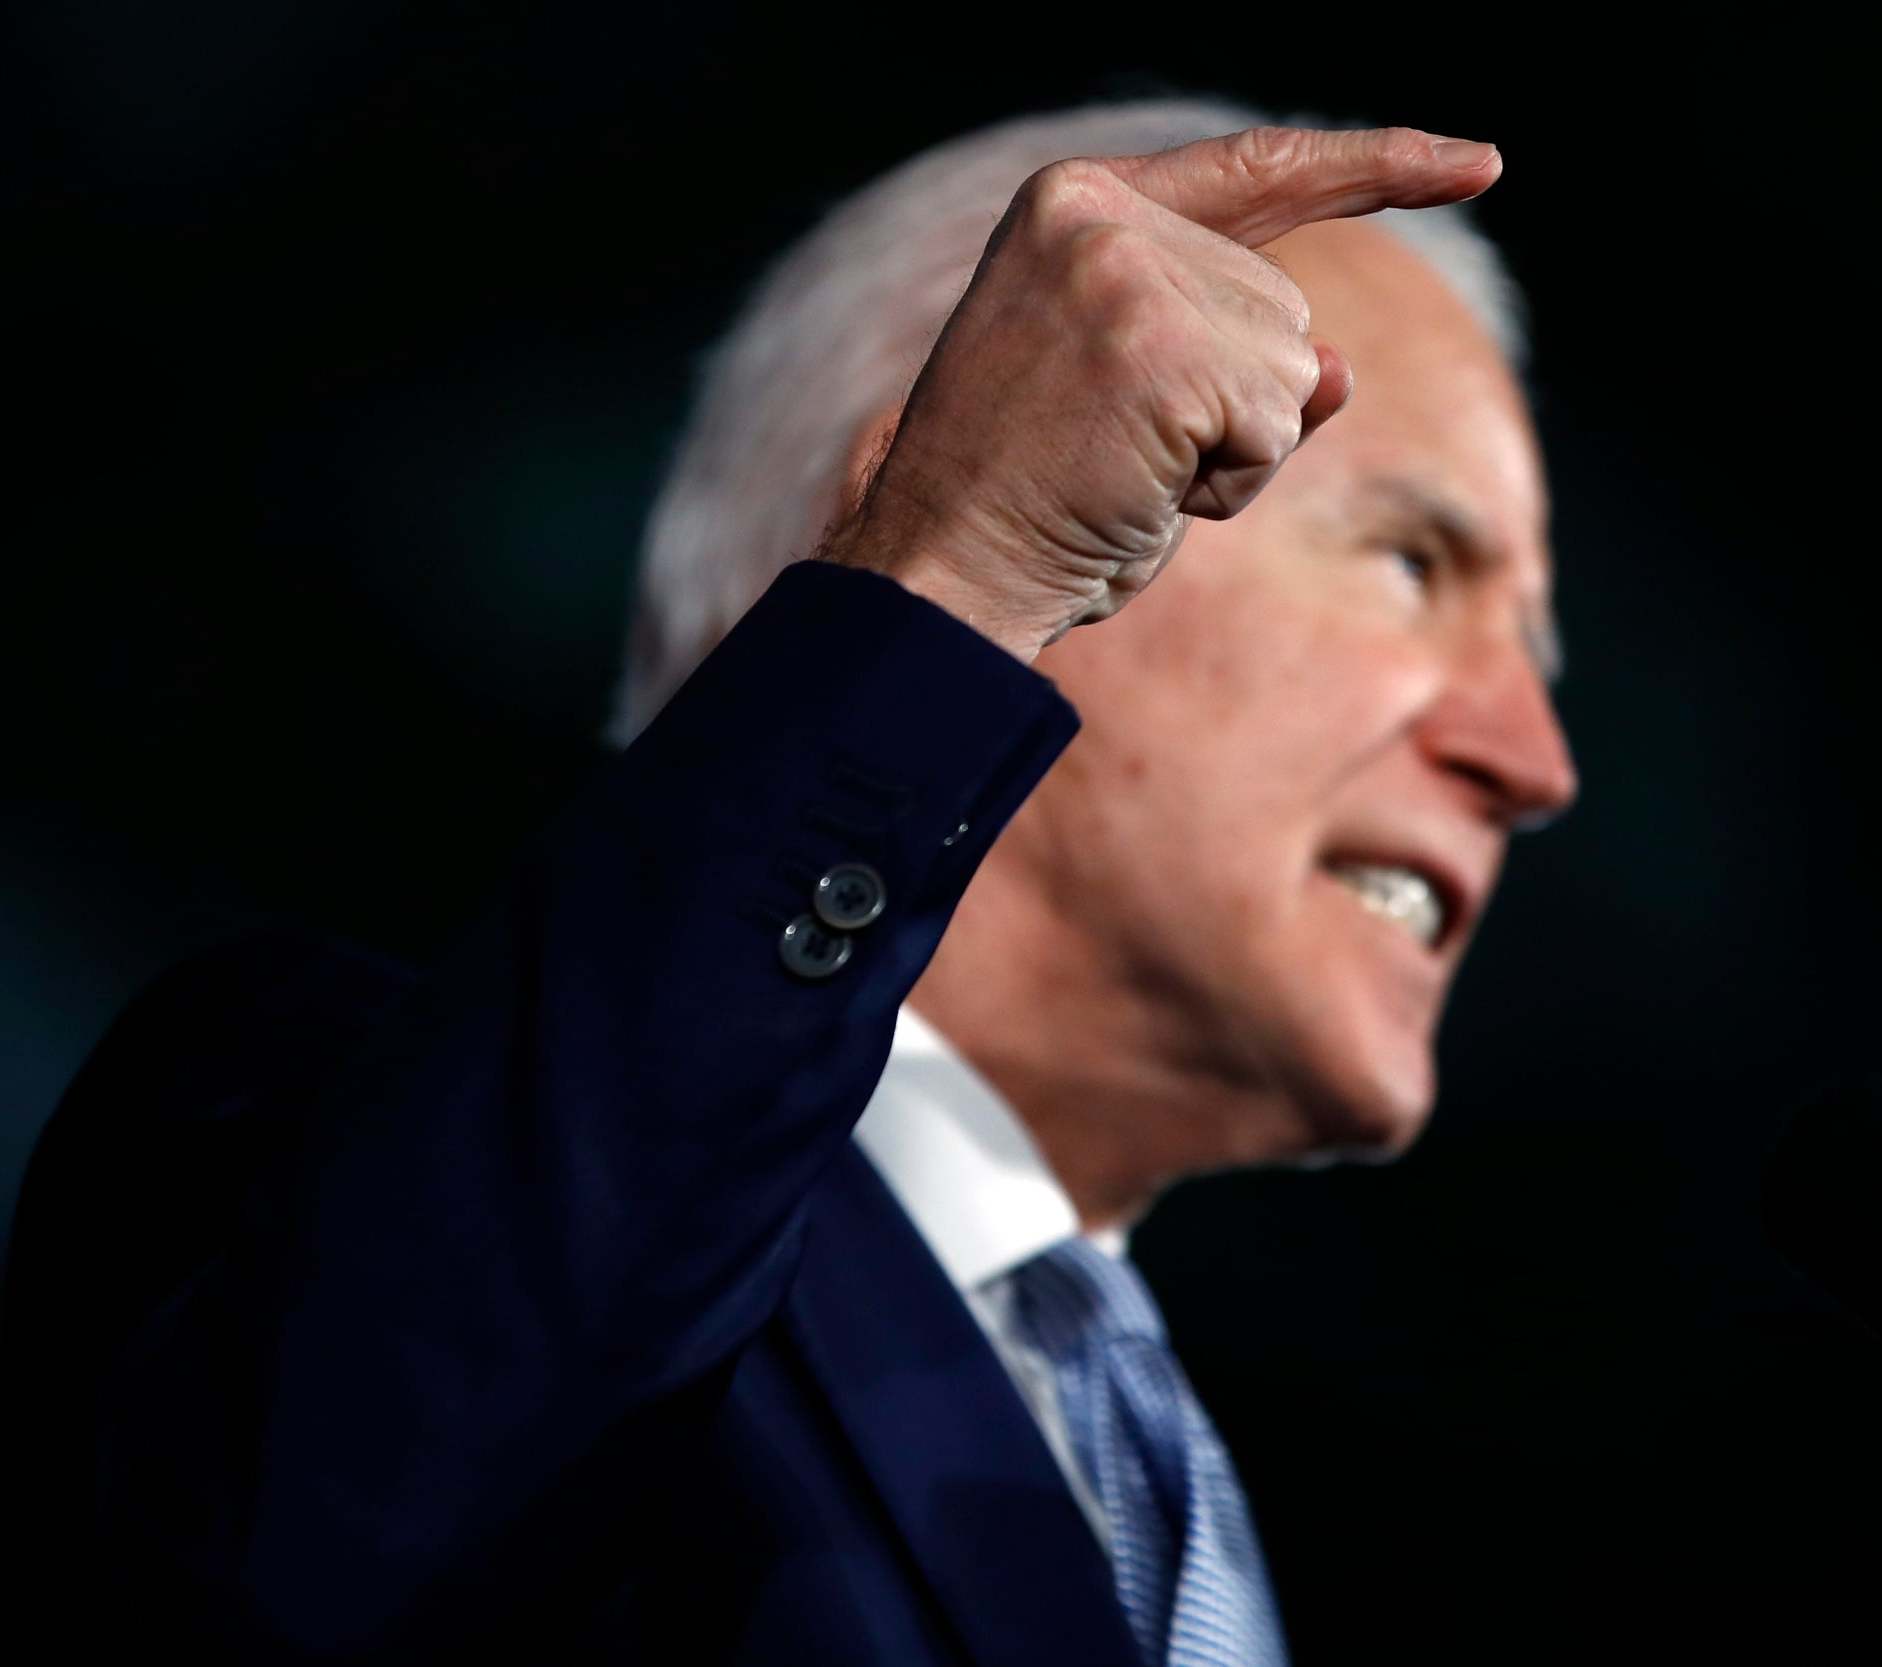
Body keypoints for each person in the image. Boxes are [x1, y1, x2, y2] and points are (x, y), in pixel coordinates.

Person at [1, 97, 1575, 1662]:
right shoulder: (338, 1125)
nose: (1534, 758)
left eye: (1541, 651)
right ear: (981, 454)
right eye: (1411, 563)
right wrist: (957, 568)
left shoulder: (1222, 1494)